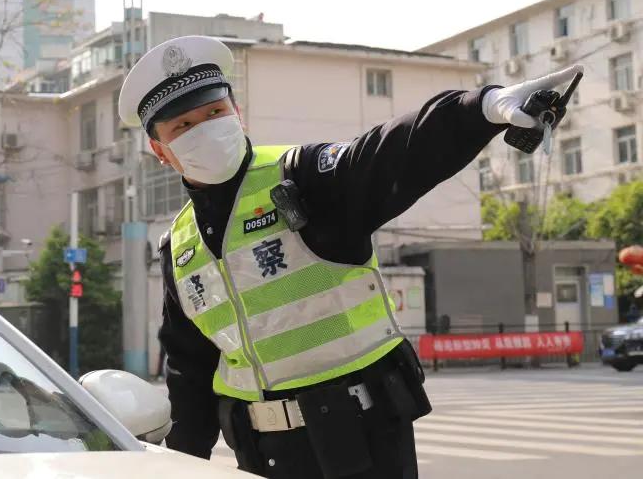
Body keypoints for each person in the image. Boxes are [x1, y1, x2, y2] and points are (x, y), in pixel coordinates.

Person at [118, 35, 583, 479]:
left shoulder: (301, 177)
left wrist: (482, 109)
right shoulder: (178, 245)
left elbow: (393, 152)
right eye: (183, 126)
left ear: (237, 114)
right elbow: (189, 367)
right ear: (160, 150)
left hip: (361, 440)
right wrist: (182, 463)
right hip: (261, 454)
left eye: (215, 111)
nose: (206, 130)